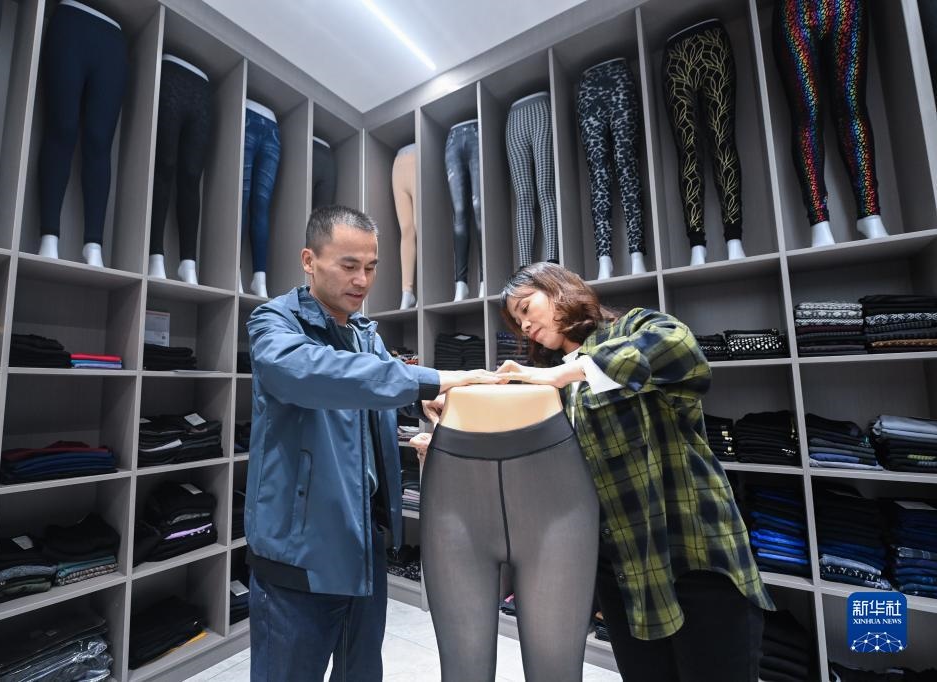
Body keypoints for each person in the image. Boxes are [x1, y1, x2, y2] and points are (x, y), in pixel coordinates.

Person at [244, 205, 501, 682]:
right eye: (348, 266)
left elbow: (375, 391)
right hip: (298, 553)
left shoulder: (365, 334)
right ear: (309, 260)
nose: (362, 280)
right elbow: (313, 373)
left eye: (371, 266)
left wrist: (424, 404)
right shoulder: (273, 323)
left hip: (364, 543)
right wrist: (434, 380)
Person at [491, 261, 774, 681]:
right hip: (622, 567)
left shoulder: (631, 329)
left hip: (690, 550)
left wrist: (568, 371)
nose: (524, 325)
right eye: (517, 322)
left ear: (558, 289)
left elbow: (679, 347)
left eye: (526, 308)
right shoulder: (550, 389)